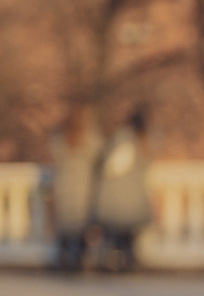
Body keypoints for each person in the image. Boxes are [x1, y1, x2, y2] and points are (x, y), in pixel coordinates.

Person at [92, 107, 152, 273]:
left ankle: (115, 264)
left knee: (116, 237)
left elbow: (112, 167)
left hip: (120, 199)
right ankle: (128, 263)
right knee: (128, 239)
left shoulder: (124, 140)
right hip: (135, 199)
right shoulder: (146, 139)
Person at [47, 107, 99, 273]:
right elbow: (99, 151)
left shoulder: (60, 138)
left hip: (65, 187)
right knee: (81, 228)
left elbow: (54, 152)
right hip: (83, 187)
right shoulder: (89, 138)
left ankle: (63, 259)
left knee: (65, 228)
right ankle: (80, 260)